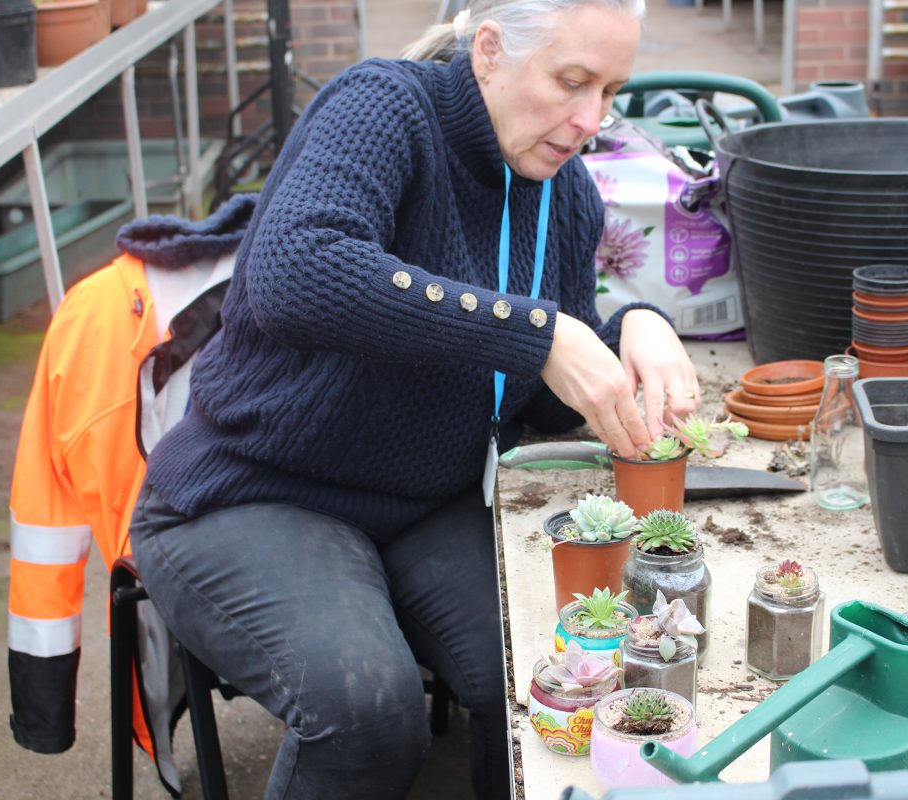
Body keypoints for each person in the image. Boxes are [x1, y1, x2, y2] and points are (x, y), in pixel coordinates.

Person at [129, 1, 700, 797]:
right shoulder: (387, 107)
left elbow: (534, 395)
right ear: (492, 53)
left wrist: (631, 327)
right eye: (572, 82)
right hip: (250, 494)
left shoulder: (565, 194)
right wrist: (538, 332)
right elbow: (299, 273)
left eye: (610, 92)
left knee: (557, 667)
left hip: (423, 501)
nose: (589, 120)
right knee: (368, 711)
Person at [6, 196, 255, 792]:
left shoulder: (90, 316)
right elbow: (45, 519)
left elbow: (45, 512)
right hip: (178, 568)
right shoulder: (93, 324)